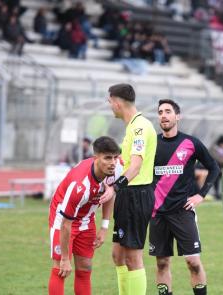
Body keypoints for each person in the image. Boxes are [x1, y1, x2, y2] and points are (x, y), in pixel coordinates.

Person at [149, 99, 220, 295]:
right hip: (158, 213)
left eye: (168, 111)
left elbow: (213, 168)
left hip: (183, 211)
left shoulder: (190, 143)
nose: (163, 115)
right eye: (160, 112)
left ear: (177, 116)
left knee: (193, 262)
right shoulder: (151, 143)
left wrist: (201, 194)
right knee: (162, 263)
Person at [101, 83, 157, 295]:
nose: (109, 106)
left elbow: (135, 166)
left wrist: (115, 188)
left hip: (137, 195)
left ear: (117, 102)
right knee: (118, 255)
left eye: (109, 102)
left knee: (133, 258)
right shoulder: (133, 126)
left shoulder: (140, 127)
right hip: (128, 195)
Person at [48, 136, 122, 295]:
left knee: (85, 267)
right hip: (62, 219)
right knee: (61, 269)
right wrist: (66, 258)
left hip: (87, 219)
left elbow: (109, 195)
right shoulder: (79, 185)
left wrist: (104, 227)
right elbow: (66, 223)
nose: (113, 162)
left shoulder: (116, 169)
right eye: (108, 158)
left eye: (115, 157)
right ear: (96, 158)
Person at [209, 135, 223, 200]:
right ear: (220, 143)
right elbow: (216, 160)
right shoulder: (213, 149)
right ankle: (217, 193)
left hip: (222, 168)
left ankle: (221, 193)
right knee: (216, 177)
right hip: (215, 168)